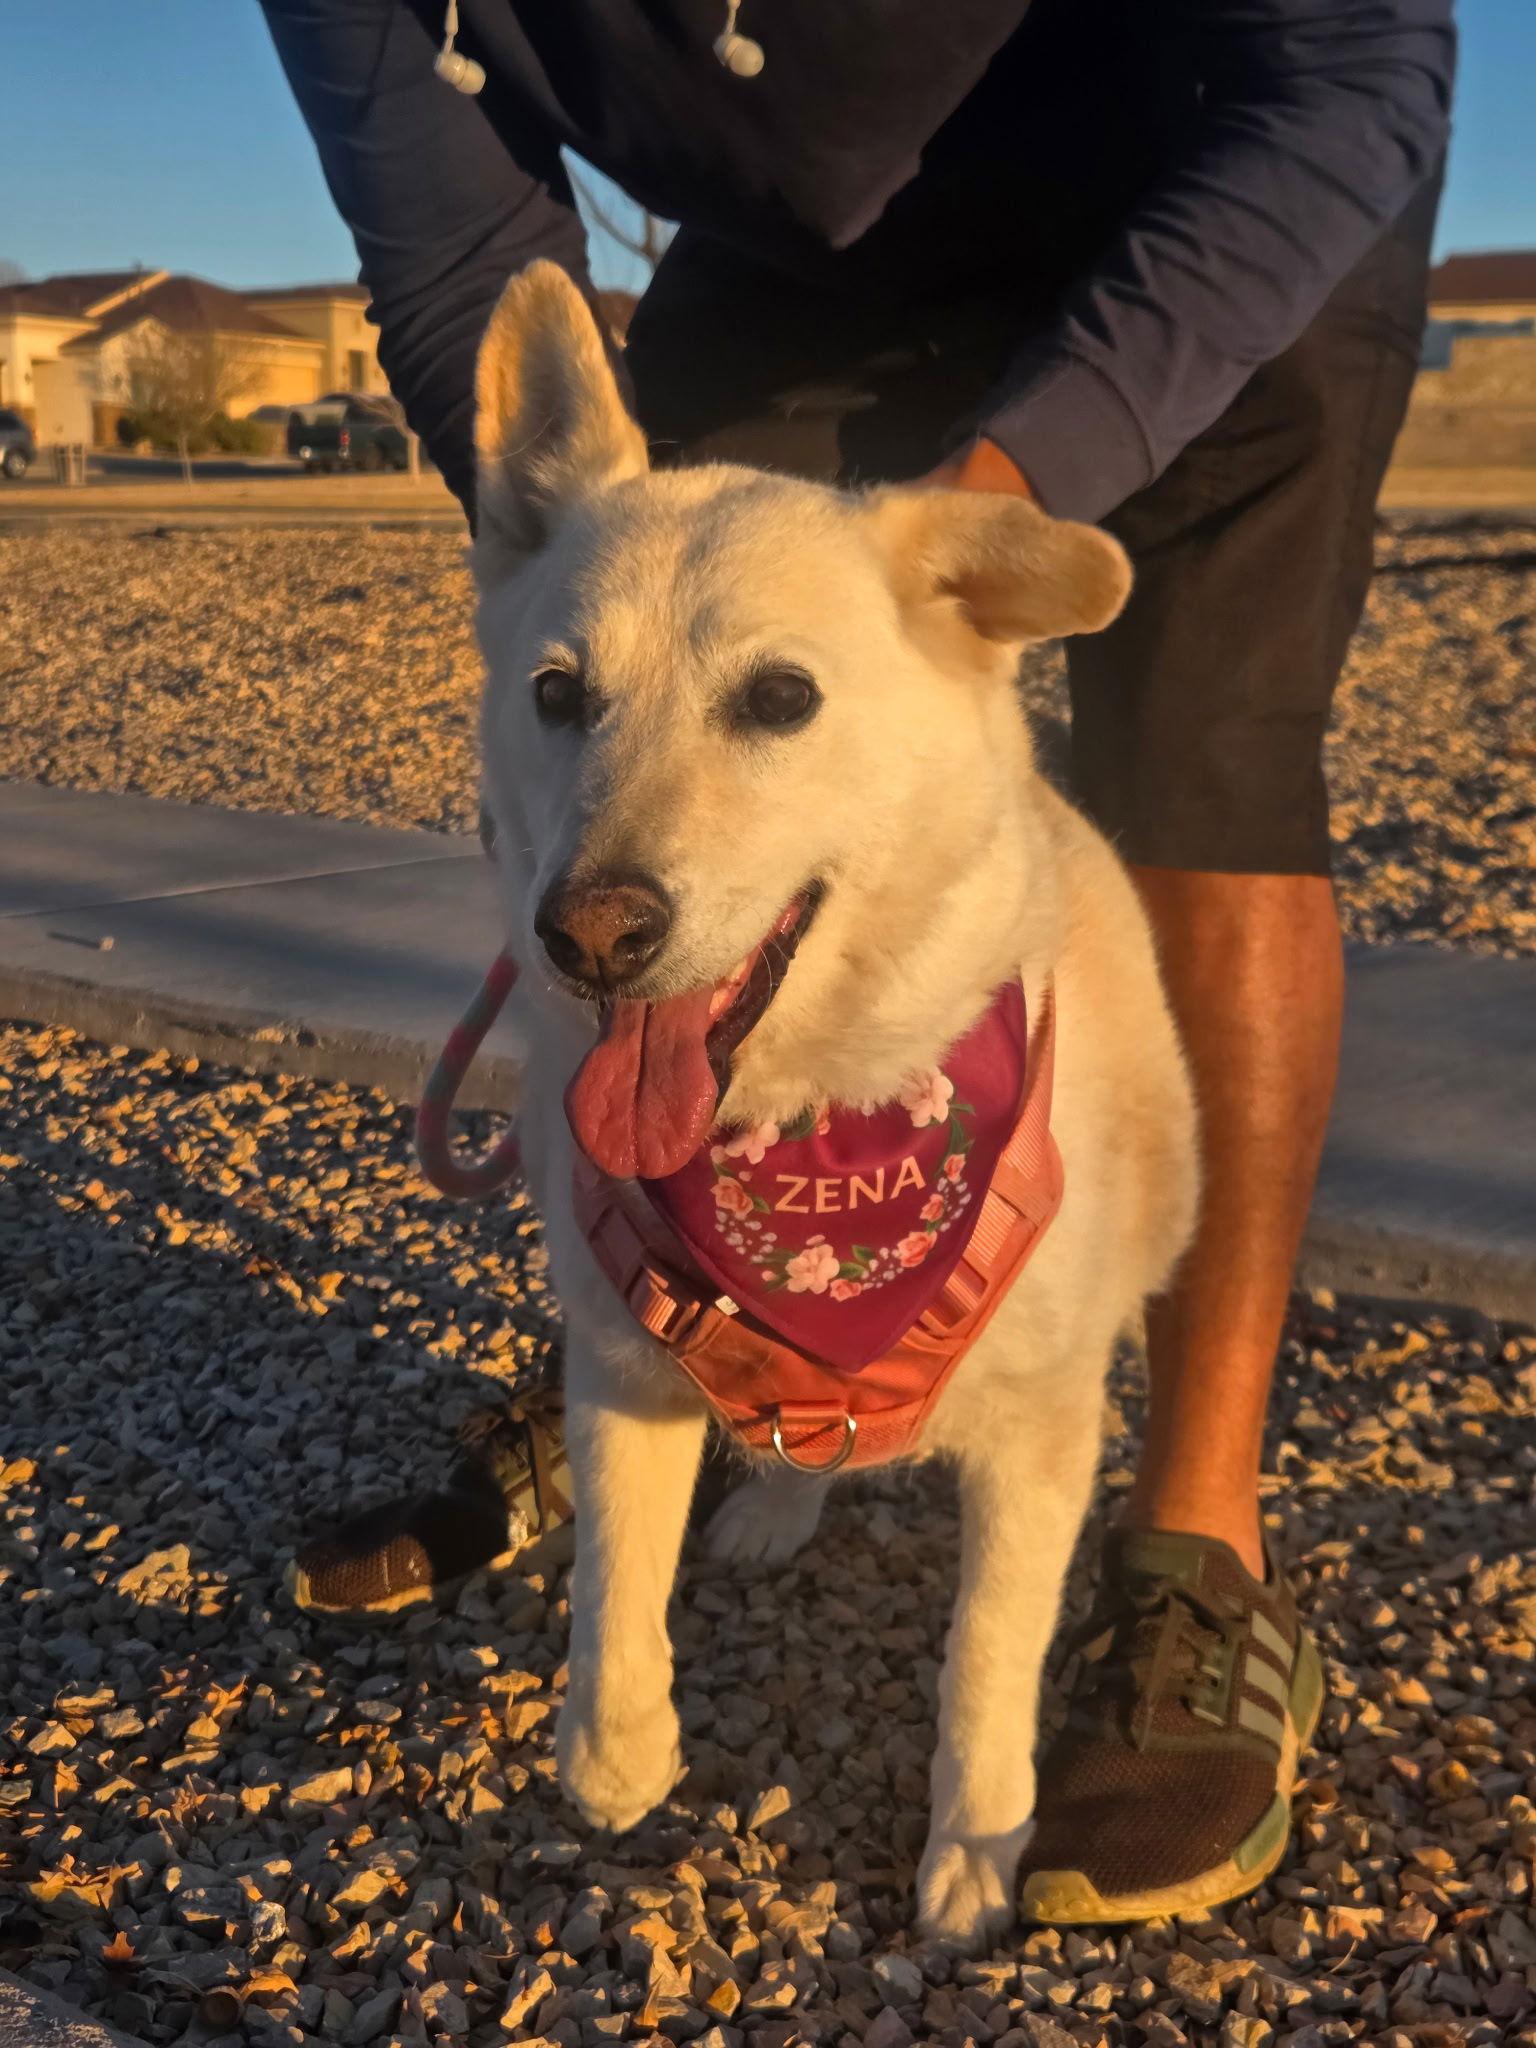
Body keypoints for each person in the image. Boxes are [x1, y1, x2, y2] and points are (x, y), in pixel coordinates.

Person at [260, 0, 1453, 1921]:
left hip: (1226, 160)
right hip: (799, 244)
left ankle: (1197, 1556)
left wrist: (967, 533)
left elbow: (1359, 64)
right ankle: (701, 1337)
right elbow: (465, 253)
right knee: (674, 610)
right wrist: (569, 565)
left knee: (1206, 785)